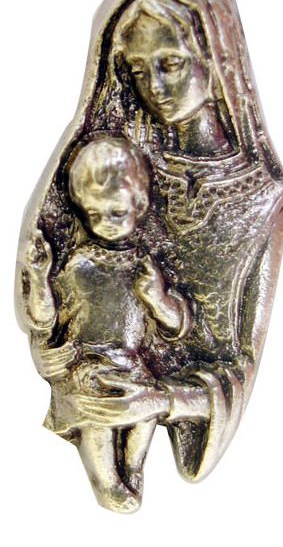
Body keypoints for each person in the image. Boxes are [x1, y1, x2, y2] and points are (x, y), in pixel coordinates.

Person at [16, 0, 283, 489]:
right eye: (139, 71)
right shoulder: (109, 163)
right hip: (93, 377)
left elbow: (236, 364)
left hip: (143, 388)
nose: (155, 87)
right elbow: (49, 294)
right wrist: (53, 352)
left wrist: (159, 400)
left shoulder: (257, 199)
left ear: (216, 59)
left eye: (171, 63)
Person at [20, 137, 189, 513]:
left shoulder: (145, 266)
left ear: (139, 205)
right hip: (90, 369)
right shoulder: (78, 264)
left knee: (143, 419)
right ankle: (107, 483)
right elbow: (47, 319)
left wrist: (157, 299)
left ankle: (131, 470)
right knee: (96, 420)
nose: (105, 224)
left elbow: (176, 325)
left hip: (134, 368)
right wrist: (40, 278)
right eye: (94, 214)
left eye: (116, 212)